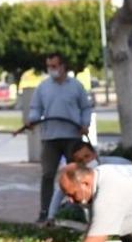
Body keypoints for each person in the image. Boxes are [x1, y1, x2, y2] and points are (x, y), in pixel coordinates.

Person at [28, 52, 93, 224]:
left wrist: (85, 123)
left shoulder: (76, 86)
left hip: (72, 137)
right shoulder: (43, 87)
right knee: (48, 174)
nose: (52, 70)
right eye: (49, 66)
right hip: (50, 138)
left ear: (63, 66)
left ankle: (80, 210)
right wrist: (33, 119)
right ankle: (45, 211)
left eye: (55, 66)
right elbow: (35, 108)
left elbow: (86, 108)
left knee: (77, 174)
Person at [44, 140, 132, 225]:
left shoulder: (117, 164)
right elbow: (60, 192)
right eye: (80, 160)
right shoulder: (80, 173)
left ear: (94, 154)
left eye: (87, 156)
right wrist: (51, 216)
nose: (86, 162)